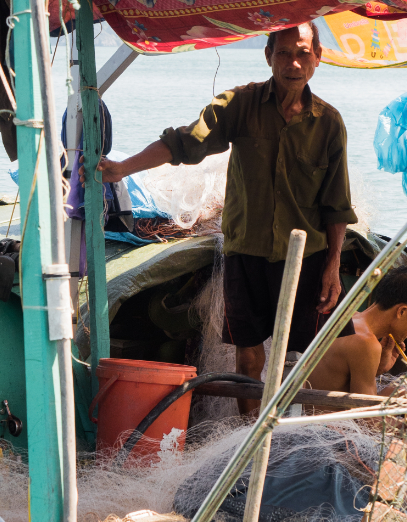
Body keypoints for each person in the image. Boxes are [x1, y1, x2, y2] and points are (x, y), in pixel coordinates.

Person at [98, 24, 358, 380]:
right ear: (268, 56)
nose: (293, 63)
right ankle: (245, 434)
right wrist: (121, 169)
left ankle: (304, 434)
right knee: (249, 360)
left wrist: (332, 267)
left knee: (317, 358)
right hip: (246, 254)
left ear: (317, 58)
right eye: (283, 53)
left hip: (306, 260)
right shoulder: (240, 104)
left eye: (302, 53)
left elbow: (336, 204)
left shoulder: (329, 123)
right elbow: (184, 142)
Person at [296, 265, 407, 404]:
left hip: (308, 408)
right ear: (402, 311)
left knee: (398, 392)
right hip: (327, 425)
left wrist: (379, 368)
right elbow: (365, 418)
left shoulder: (350, 317)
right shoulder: (366, 343)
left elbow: (337, 379)